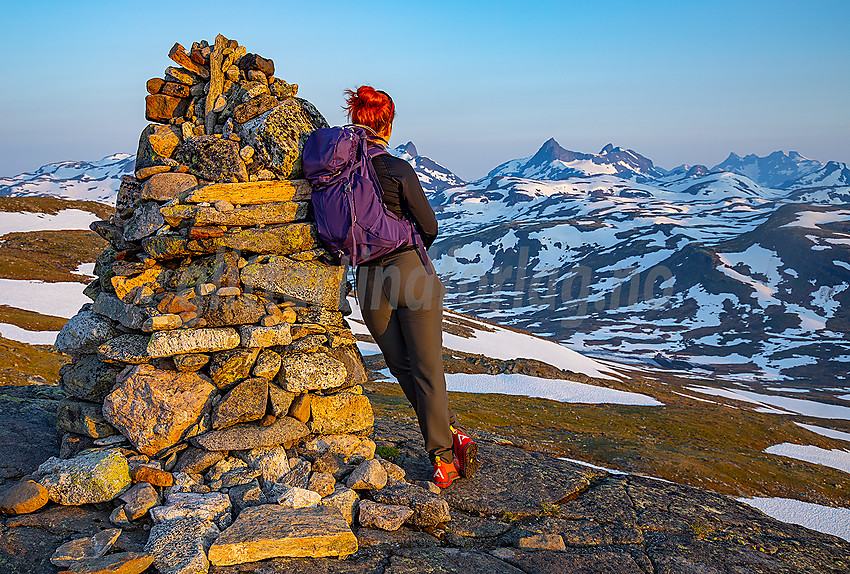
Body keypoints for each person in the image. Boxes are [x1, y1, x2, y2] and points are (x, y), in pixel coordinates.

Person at [344, 85, 479, 488]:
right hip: (408, 273)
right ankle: (442, 457)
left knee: (402, 368)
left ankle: (449, 435)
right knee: (427, 368)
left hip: (367, 280)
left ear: (355, 122)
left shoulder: (338, 173)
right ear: (387, 123)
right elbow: (430, 226)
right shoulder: (397, 168)